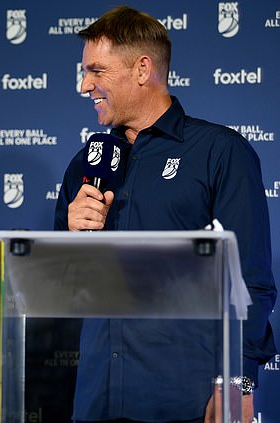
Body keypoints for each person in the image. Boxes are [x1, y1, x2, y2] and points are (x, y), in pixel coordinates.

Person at [54, 6, 276, 423]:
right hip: (97, 401)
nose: (85, 85)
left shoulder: (219, 152)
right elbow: (57, 288)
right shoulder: (87, 162)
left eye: (97, 71)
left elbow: (250, 284)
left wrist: (237, 384)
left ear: (142, 69)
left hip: (186, 404)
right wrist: (70, 235)